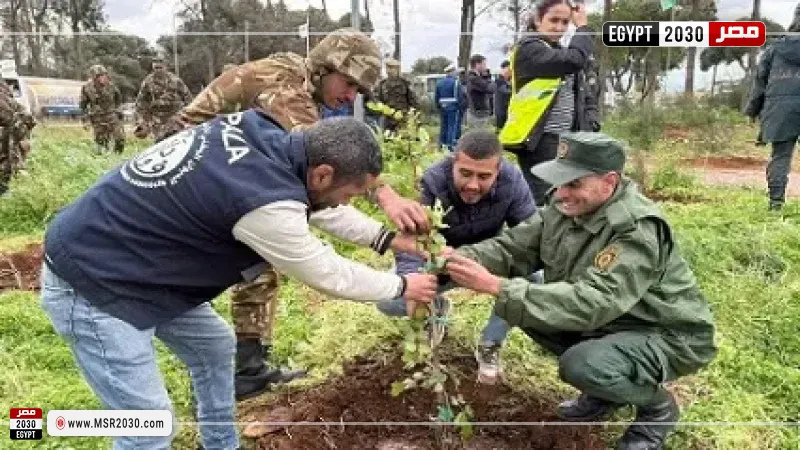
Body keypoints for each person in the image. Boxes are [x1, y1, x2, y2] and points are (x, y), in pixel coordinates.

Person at [39, 113, 439, 450]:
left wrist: (386, 239)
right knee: (150, 427)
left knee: (213, 347)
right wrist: (403, 287)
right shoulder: (262, 202)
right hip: (93, 281)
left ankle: (221, 444)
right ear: (322, 173)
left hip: (141, 265)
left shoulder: (264, 133)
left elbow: (313, 204)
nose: (347, 202)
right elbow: (326, 272)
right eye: (351, 193)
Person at [166, 28, 432, 402]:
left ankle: (247, 369)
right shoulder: (287, 92)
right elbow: (318, 184)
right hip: (186, 182)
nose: (351, 96)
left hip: (212, 177)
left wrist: (386, 239)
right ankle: (211, 375)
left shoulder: (296, 77)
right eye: (349, 83)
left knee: (257, 264)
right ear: (324, 68)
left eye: (358, 90)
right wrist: (384, 196)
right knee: (206, 272)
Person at [442, 132, 717, 450]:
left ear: (609, 182)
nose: (561, 193)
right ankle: (605, 392)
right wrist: (457, 259)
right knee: (520, 307)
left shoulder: (636, 229)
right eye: (559, 182)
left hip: (666, 334)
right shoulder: (565, 206)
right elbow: (513, 248)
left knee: (581, 364)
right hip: (613, 323)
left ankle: (657, 408)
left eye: (573, 184)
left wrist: (495, 285)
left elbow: (594, 302)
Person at [376, 129, 536, 383]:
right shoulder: (433, 181)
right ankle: (436, 309)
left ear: (498, 171)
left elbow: (530, 235)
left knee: (534, 278)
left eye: (484, 176)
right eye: (465, 173)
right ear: (453, 163)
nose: (473, 185)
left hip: (489, 259)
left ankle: (491, 344)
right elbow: (412, 241)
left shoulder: (513, 181)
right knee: (388, 299)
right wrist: (413, 282)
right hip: (441, 263)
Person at [500, 0, 599, 206]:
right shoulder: (530, 49)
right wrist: (582, 27)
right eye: (554, 20)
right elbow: (574, 59)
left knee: (566, 199)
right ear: (538, 20)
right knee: (549, 201)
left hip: (566, 139)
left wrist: (591, 122)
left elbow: (584, 94)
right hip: (540, 140)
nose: (559, 27)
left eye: (565, 22)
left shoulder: (557, 50)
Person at [744, 6, 800, 211]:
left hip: (780, 109)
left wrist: (752, 110)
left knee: (781, 157)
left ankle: (776, 204)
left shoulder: (775, 49)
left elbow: (760, 83)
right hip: (782, 107)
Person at [134, 56, 193, 141]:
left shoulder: (176, 80)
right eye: (156, 68)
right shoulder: (147, 82)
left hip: (174, 116)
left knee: (176, 140)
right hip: (157, 119)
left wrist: (189, 116)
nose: (158, 70)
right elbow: (140, 102)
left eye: (160, 67)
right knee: (160, 141)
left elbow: (187, 97)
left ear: (165, 67)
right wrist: (141, 120)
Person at [79, 64, 125, 154]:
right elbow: (83, 105)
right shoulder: (86, 87)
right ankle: (102, 157)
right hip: (97, 118)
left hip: (111, 116)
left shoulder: (111, 86)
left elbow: (118, 99)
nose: (104, 77)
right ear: (94, 77)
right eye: (100, 75)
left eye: (104, 74)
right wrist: (85, 121)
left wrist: (119, 111)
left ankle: (118, 155)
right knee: (101, 142)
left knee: (120, 138)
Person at [0, 81, 36, 195]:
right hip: (14, 128)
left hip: (13, 129)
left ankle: (7, 188)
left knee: (9, 162)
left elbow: (9, 117)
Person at [376, 58, 417, 132]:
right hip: (388, 122)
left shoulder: (405, 83)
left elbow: (414, 103)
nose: (389, 71)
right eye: (387, 68)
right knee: (387, 138)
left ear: (397, 69)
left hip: (403, 120)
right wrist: (381, 107)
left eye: (391, 68)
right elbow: (379, 101)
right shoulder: (382, 84)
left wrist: (406, 113)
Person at [434, 64, 463, 151]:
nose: (456, 73)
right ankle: (450, 144)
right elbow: (459, 96)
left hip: (442, 107)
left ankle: (442, 143)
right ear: (451, 72)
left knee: (443, 125)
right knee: (452, 126)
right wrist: (460, 107)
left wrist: (438, 106)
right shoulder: (456, 82)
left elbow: (436, 96)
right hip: (453, 106)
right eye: (455, 72)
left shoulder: (439, 83)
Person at [465, 54, 493, 129]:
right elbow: (490, 88)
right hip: (478, 114)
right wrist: (487, 77)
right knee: (480, 134)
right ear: (477, 65)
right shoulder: (473, 78)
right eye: (484, 64)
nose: (486, 67)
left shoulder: (476, 77)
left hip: (478, 113)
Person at [494, 60, 512, 130]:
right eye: (509, 69)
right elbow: (506, 92)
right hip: (501, 111)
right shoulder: (499, 80)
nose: (511, 72)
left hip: (506, 110)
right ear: (505, 69)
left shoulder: (506, 80)